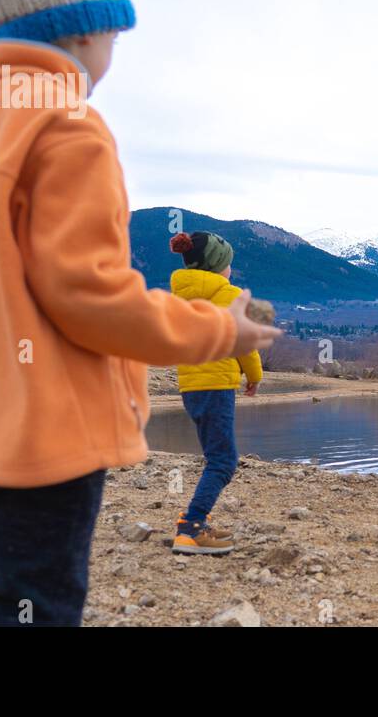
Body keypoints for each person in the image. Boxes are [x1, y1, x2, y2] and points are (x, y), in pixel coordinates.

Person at [0, 0, 280, 626]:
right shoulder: (69, 126)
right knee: (43, 597)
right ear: (79, 31)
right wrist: (221, 332)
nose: (114, 51)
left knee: (7, 584)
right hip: (49, 422)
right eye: (113, 32)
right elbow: (92, 298)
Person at [167, 231, 263, 555]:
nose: (231, 270)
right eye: (228, 264)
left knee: (215, 457)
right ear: (217, 267)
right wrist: (254, 376)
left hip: (191, 387)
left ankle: (197, 522)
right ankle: (190, 528)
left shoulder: (180, 297)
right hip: (218, 384)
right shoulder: (229, 296)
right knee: (223, 461)